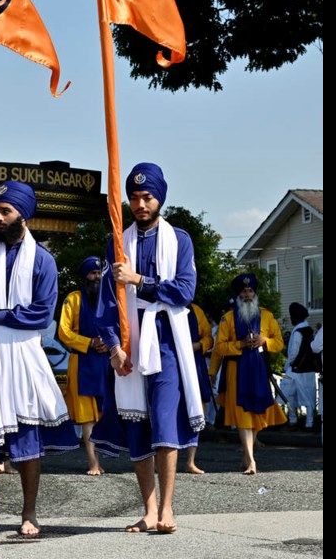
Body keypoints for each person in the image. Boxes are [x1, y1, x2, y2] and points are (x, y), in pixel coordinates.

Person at [0, 181, 78, 540]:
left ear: (24, 215)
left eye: (6, 211)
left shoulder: (43, 260)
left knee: (26, 442)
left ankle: (29, 513)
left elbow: (41, 315)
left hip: (23, 359)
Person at [88, 162, 204, 535]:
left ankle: (168, 509)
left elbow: (184, 291)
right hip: (129, 339)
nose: (140, 204)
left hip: (167, 339)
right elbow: (106, 302)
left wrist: (139, 279)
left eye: (147, 197)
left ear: (160, 199)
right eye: (135, 197)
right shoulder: (117, 242)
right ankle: (149, 510)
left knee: (165, 419)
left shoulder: (180, 240)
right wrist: (114, 348)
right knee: (136, 422)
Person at [213, 273, 287, 474]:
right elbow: (219, 348)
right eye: (244, 291)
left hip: (259, 371)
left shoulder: (267, 316)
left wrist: (265, 341)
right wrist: (241, 344)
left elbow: (279, 343)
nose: (247, 295)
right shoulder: (227, 319)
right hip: (236, 372)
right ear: (238, 294)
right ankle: (252, 461)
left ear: (255, 293)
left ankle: (247, 457)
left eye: (250, 291)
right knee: (243, 416)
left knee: (255, 416)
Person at [58, 256, 110, 476]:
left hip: (106, 363)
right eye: (92, 273)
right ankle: (93, 463)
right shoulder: (73, 299)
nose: (96, 277)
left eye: (99, 273)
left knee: (103, 414)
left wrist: (108, 343)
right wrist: (89, 342)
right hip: (81, 363)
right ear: (84, 276)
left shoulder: (110, 298)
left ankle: (101, 460)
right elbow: (63, 332)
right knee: (87, 417)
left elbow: (120, 326)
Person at [184, 302, 213, 474]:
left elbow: (209, 338)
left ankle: (190, 461)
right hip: (169, 362)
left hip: (194, 363)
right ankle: (159, 460)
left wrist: (199, 345)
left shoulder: (196, 310)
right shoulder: (160, 306)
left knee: (196, 408)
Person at [284, 302, 317, 431]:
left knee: (290, 394)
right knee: (308, 395)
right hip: (309, 369)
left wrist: (288, 364)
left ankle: (293, 420)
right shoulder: (309, 330)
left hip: (296, 369)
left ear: (295, 318)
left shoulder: (297, 332)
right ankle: (309, 422)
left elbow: (293, 353)